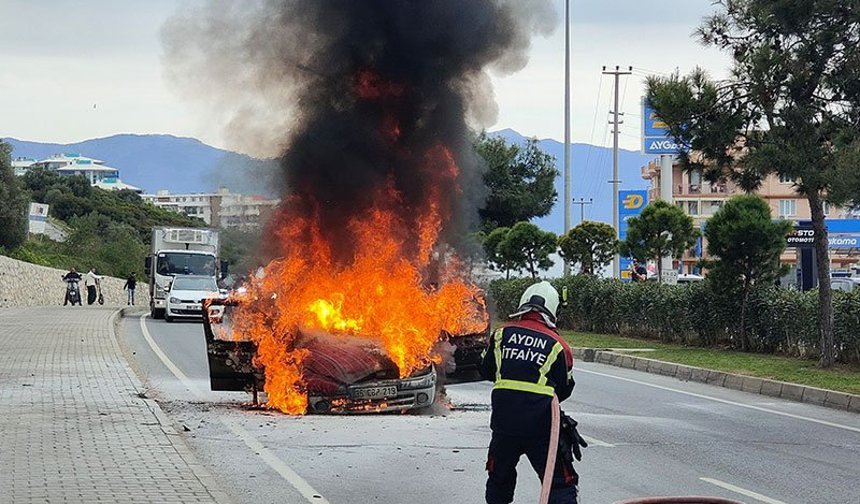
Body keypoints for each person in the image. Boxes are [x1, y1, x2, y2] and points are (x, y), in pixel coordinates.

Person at [480, 281, 584, 504]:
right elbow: (565, 389)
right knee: (559, 482)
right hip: (542, 428)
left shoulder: (500, 335)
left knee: (499, 478)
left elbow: (486, 370)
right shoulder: (558, 346)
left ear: (523, 304)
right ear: (554, 310)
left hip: (504, 425)